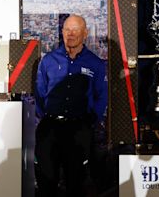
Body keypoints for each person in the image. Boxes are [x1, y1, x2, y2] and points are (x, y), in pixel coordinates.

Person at [34, 14, 107, 197]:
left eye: (75, 30)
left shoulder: (95, 64)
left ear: (85, 33)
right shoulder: (49, 60)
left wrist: (89, 121)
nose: (70, 34)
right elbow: (40, 93)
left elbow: (102, 95)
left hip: (78, 130)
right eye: (67, 29)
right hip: (50, 129)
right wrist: (47, 118)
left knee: (77, 183)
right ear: (62, 32)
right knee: (45, 182)